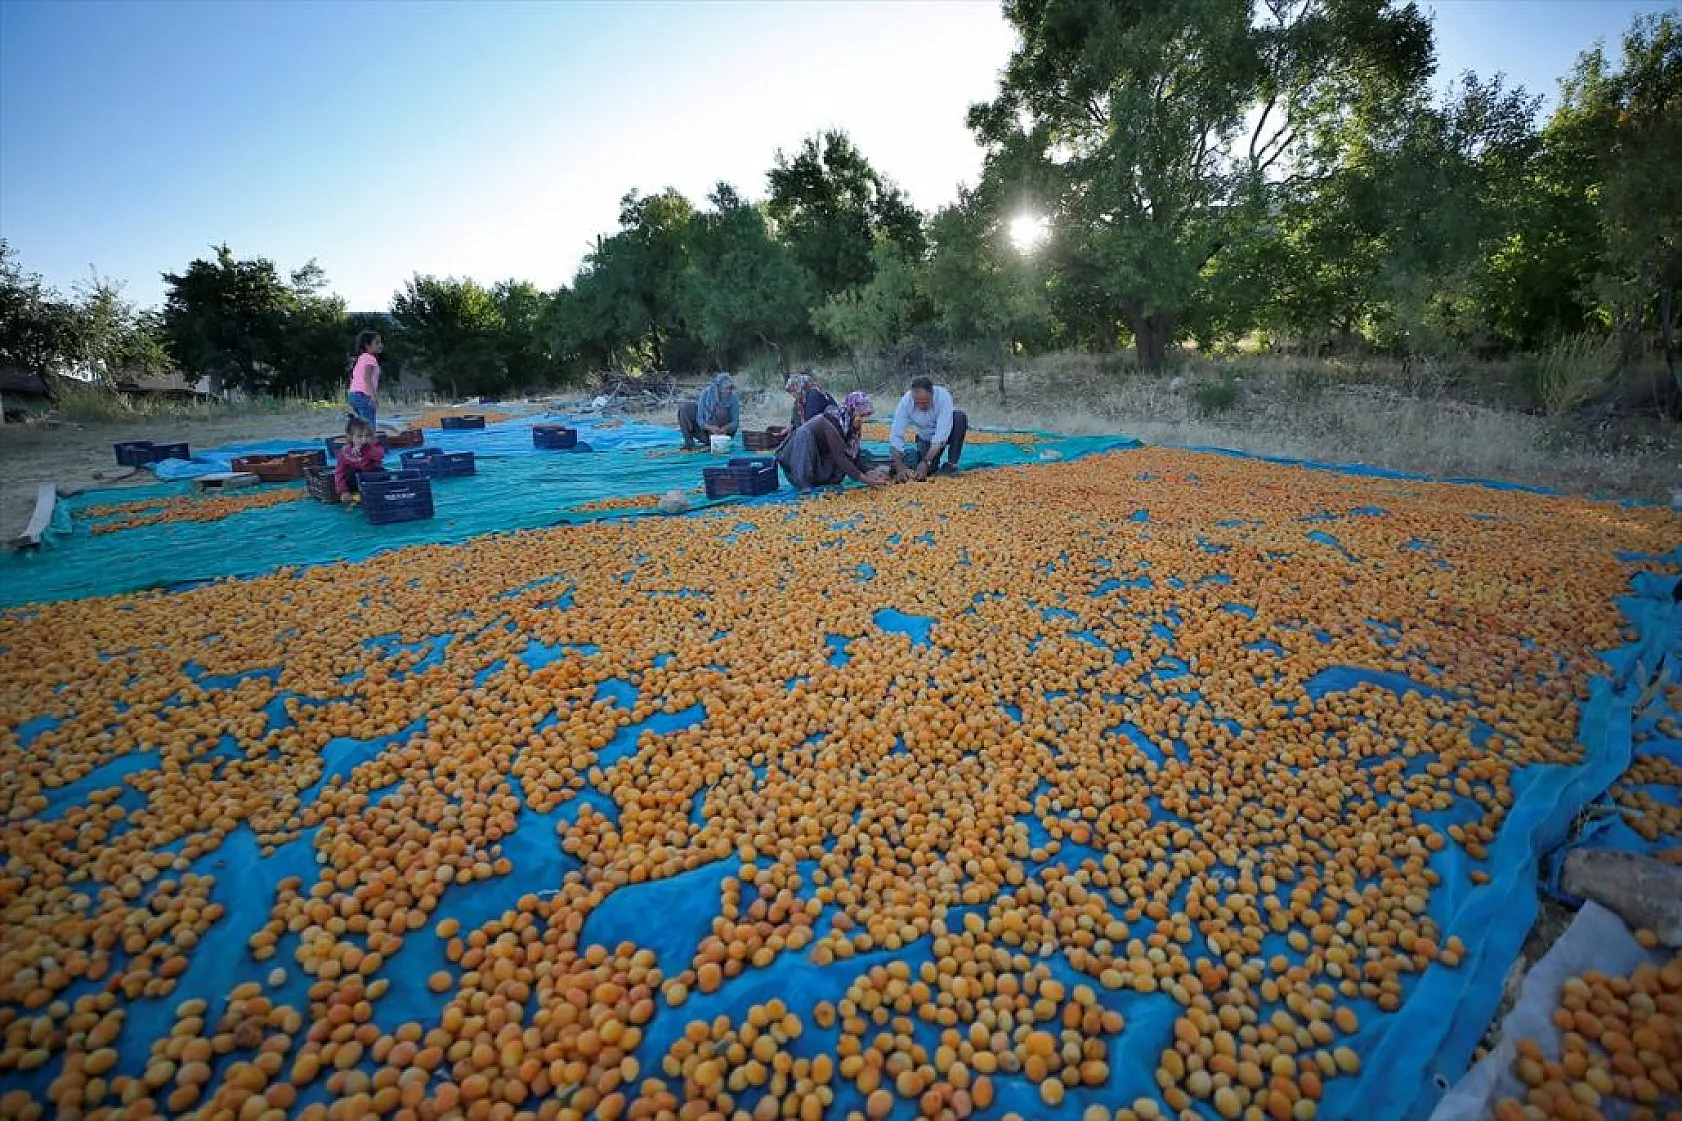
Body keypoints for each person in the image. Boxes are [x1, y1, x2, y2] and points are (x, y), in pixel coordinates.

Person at [776, 391, 889, 494]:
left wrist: (867, 471)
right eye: (861, 415)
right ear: (851, 410)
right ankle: (804, 483)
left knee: (842, 462)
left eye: (865, 416)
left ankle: (821, 480)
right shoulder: (832, 420)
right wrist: (864, 479)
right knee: (805, 435)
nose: (862, 419)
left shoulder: (851, 426)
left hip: (820, 451)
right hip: (801, 450)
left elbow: (853, 453)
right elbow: (839, 455)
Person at [888, 376, 967, 481]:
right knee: (928, 470)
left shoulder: (943, 397)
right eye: (917, 403)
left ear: (932, 394)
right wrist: (899, 465)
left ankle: (951, 465)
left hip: (947, 434)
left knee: (959, 417)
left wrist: (925, 461)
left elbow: (941, 435)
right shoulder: (906, 402)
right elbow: (896, 434)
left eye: (925, 402)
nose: (921, 406)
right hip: (925, 437)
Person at [678, 373, 741, 450]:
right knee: (685, 408)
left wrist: (725, 428)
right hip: (706, 433)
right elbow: (700, 418)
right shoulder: (706, 394)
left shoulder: (733, 398)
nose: (728, 391)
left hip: (723, 436)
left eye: (730, 388)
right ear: (718, 388)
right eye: (725, 388)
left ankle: (713, 444)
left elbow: (735, 422)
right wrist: (709, 427)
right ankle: (689, 443)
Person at [334, 415, 386, 503]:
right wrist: (343, 491)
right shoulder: (344, 452)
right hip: (356, 481)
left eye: (367, 436)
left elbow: (380, 455)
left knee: (381, 471)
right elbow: (339, 471)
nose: (364, 439)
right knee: (351, 472)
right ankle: (353, 493)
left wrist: (367, 450)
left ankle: (377, 491)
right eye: (359, 436)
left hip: (370, 477)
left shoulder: (374, 446)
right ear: (351, 437)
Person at [347, 330, 383, 426]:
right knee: (369, 425)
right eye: (377, 343)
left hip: (353, 395)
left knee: (362, 424)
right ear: (367, 345)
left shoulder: (361, 358)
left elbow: (355, 378)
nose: (380, 345)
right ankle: (369, 440)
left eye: (380, 342)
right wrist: (373, 396)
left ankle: (357, 437)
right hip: (363, 395)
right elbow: (366, 378)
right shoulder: (370, 359)